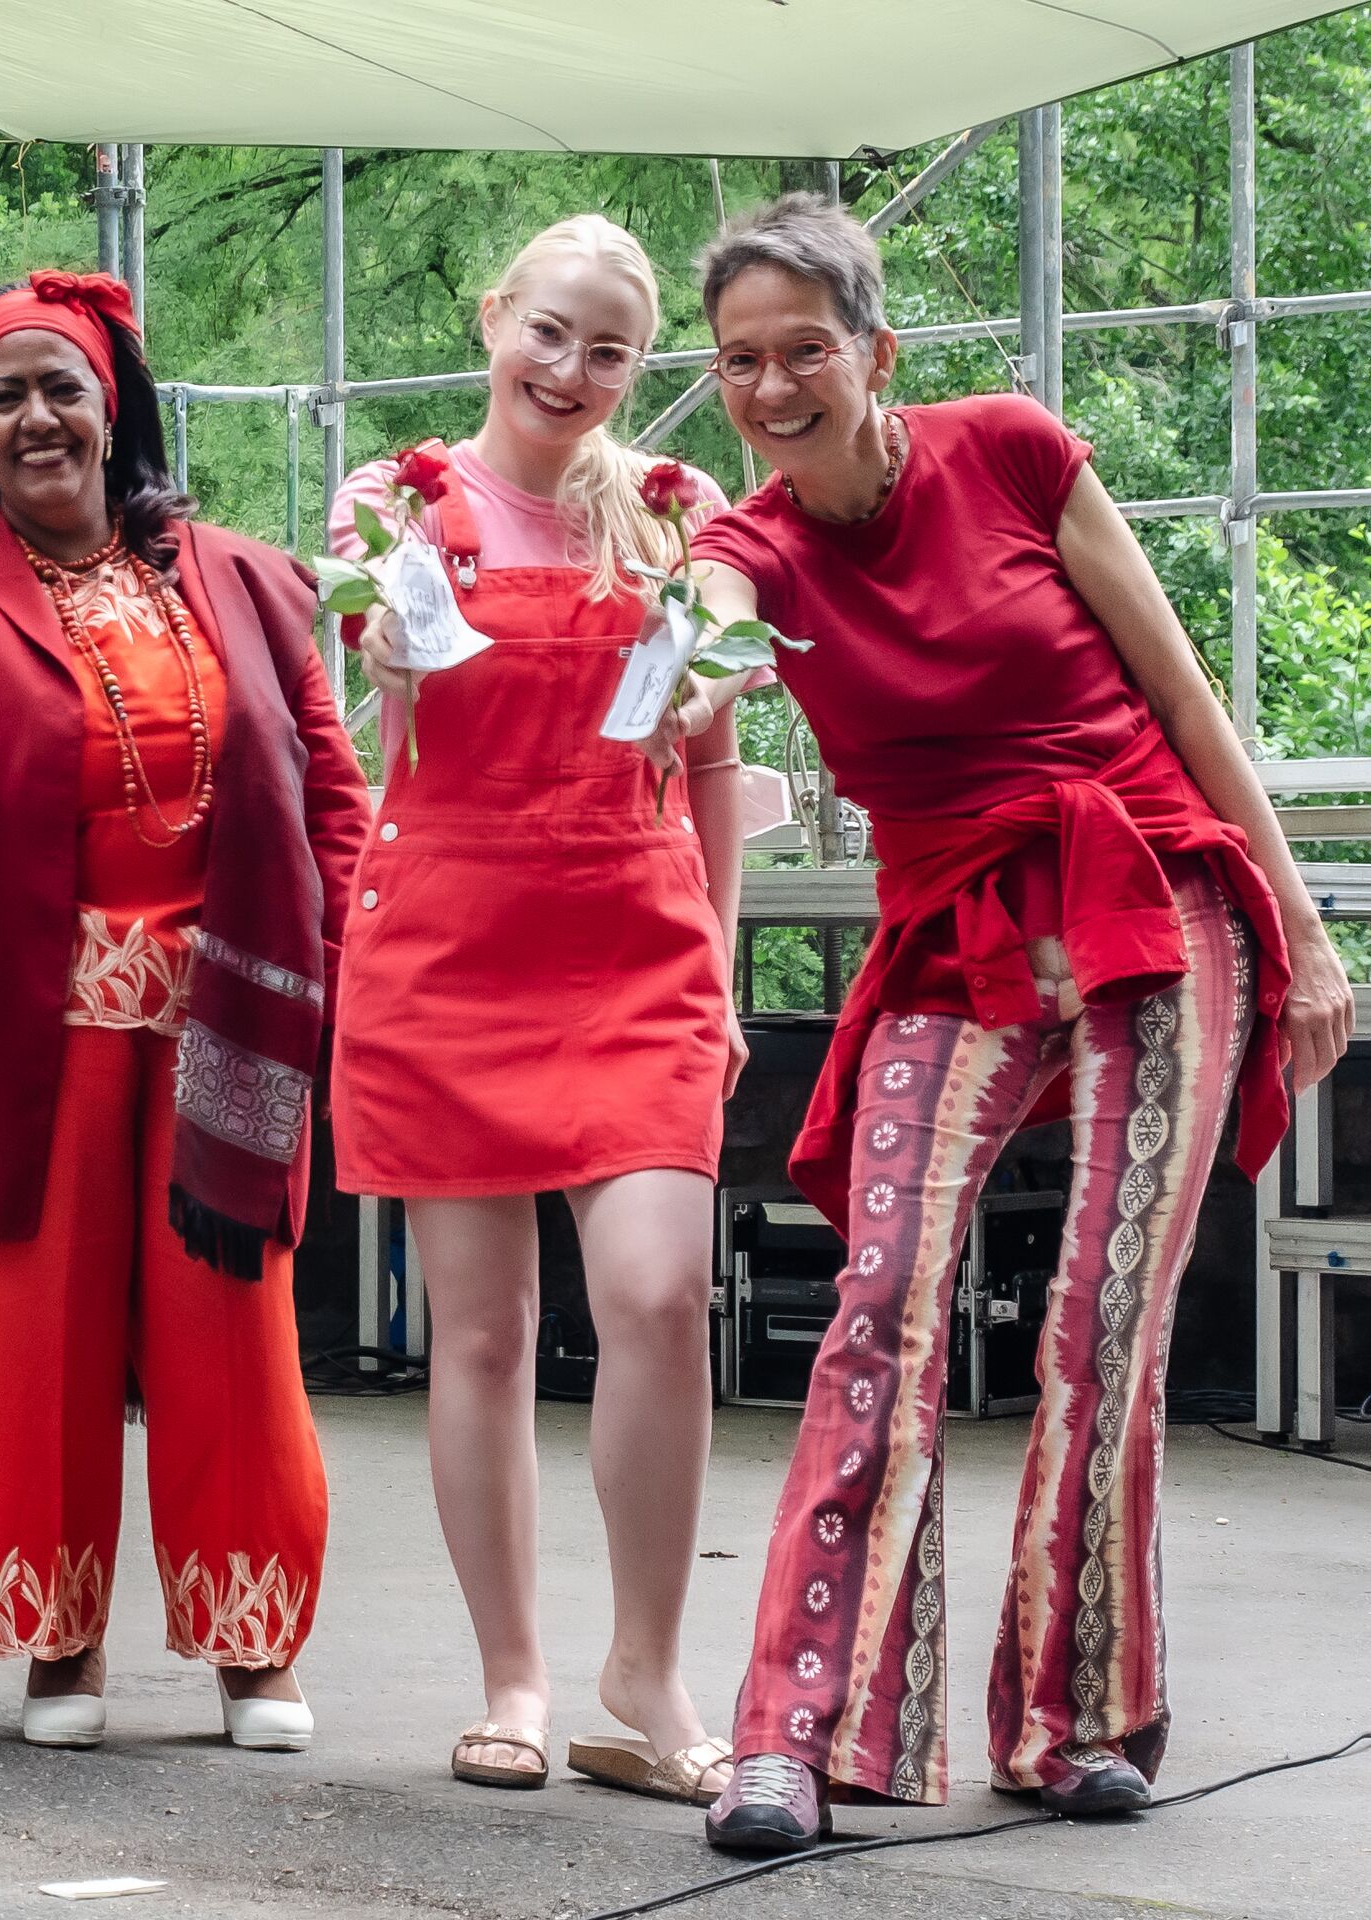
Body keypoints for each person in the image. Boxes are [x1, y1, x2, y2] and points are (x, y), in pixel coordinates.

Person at [664, 195, 1349, 1850]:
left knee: (1103, 1320)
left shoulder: (1015, 452)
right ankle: (792, 1736)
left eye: (803, 350)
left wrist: (1306, 931)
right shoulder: (748, 546)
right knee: (879, 1303)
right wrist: (672, 671)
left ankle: (1071, 1719)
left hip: (1150, 894)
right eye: (740, 361)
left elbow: (1183, 694)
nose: (771, 387)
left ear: (875, 350)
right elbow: (697, 649)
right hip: (950, 931)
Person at [0, 270, 372, 1752]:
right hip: (25, 1029)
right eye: (1, 396)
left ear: (111, 403)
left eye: (59, 386)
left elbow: (326, 786)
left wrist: (362, 955)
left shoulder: (248, 578)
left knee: (231, 1334)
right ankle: (59, 1649)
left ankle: (252, 1646)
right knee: (29, 1337)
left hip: (228, 1018)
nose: (35, 417)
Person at [323, 216, 742, 1802]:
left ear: (641, 367)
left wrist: (716, 971)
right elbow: (379, 663)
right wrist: (381, 631)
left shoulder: (678, 515)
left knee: (657, 1293)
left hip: (634, 941)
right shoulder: (395, 500)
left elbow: (708, 765)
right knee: (483, 1331)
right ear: (493, 317)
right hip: (445, 938)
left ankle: (644, 1672)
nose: (566, 370)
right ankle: (510, 1672)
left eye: (606, 349)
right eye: (545, 331)